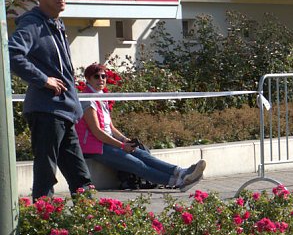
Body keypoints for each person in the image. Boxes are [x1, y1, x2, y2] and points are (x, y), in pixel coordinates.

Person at [8, 0, 94, 198]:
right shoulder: (33, 24)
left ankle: (94, 225)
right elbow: (12, 55)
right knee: (46, 175)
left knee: (81, 177)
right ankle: (45, 227)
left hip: (64, 113)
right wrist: (43, 79)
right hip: (46, 112)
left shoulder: (56, 24)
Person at [74, 63, 207, 190]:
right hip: (94, 146)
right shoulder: (87, 99)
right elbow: (97, 131)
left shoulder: (101, 97)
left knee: (142, 154)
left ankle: (181, 172)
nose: (101, 79)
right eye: (96, 76)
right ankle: (179, 182)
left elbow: (111, 127)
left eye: (104, 76)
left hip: (106, 142)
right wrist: (121, 146)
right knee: (136, 164)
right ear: (88, 79)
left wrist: (125, 140)